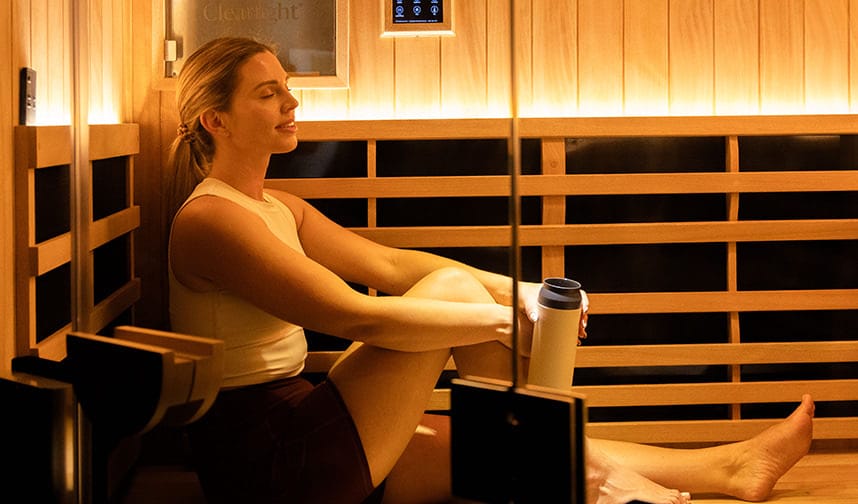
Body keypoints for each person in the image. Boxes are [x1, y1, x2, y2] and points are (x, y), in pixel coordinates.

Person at [166, 36, 814, 504]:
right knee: (494, 402)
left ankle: (728, 468)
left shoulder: (278, 206)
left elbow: (391, 265)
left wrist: (522, 291)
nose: (291, 100)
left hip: (308, 421)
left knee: (501, 444)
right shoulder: (211, 221)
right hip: (273, 465)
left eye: (286, 84)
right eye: (268, 91)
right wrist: (499, 320)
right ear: (214, 118)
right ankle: (609, 492)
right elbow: (350, 311)